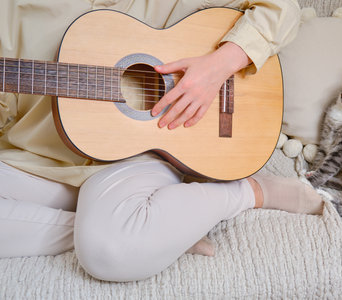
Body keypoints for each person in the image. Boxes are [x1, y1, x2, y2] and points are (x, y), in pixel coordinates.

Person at [0, 0, 323, 281]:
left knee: (106, 251)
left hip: (140, 158)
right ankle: (159, 229)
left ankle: (247, 192)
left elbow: (283, 7)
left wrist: (216, 68)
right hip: (39, 163)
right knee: (107, 238)